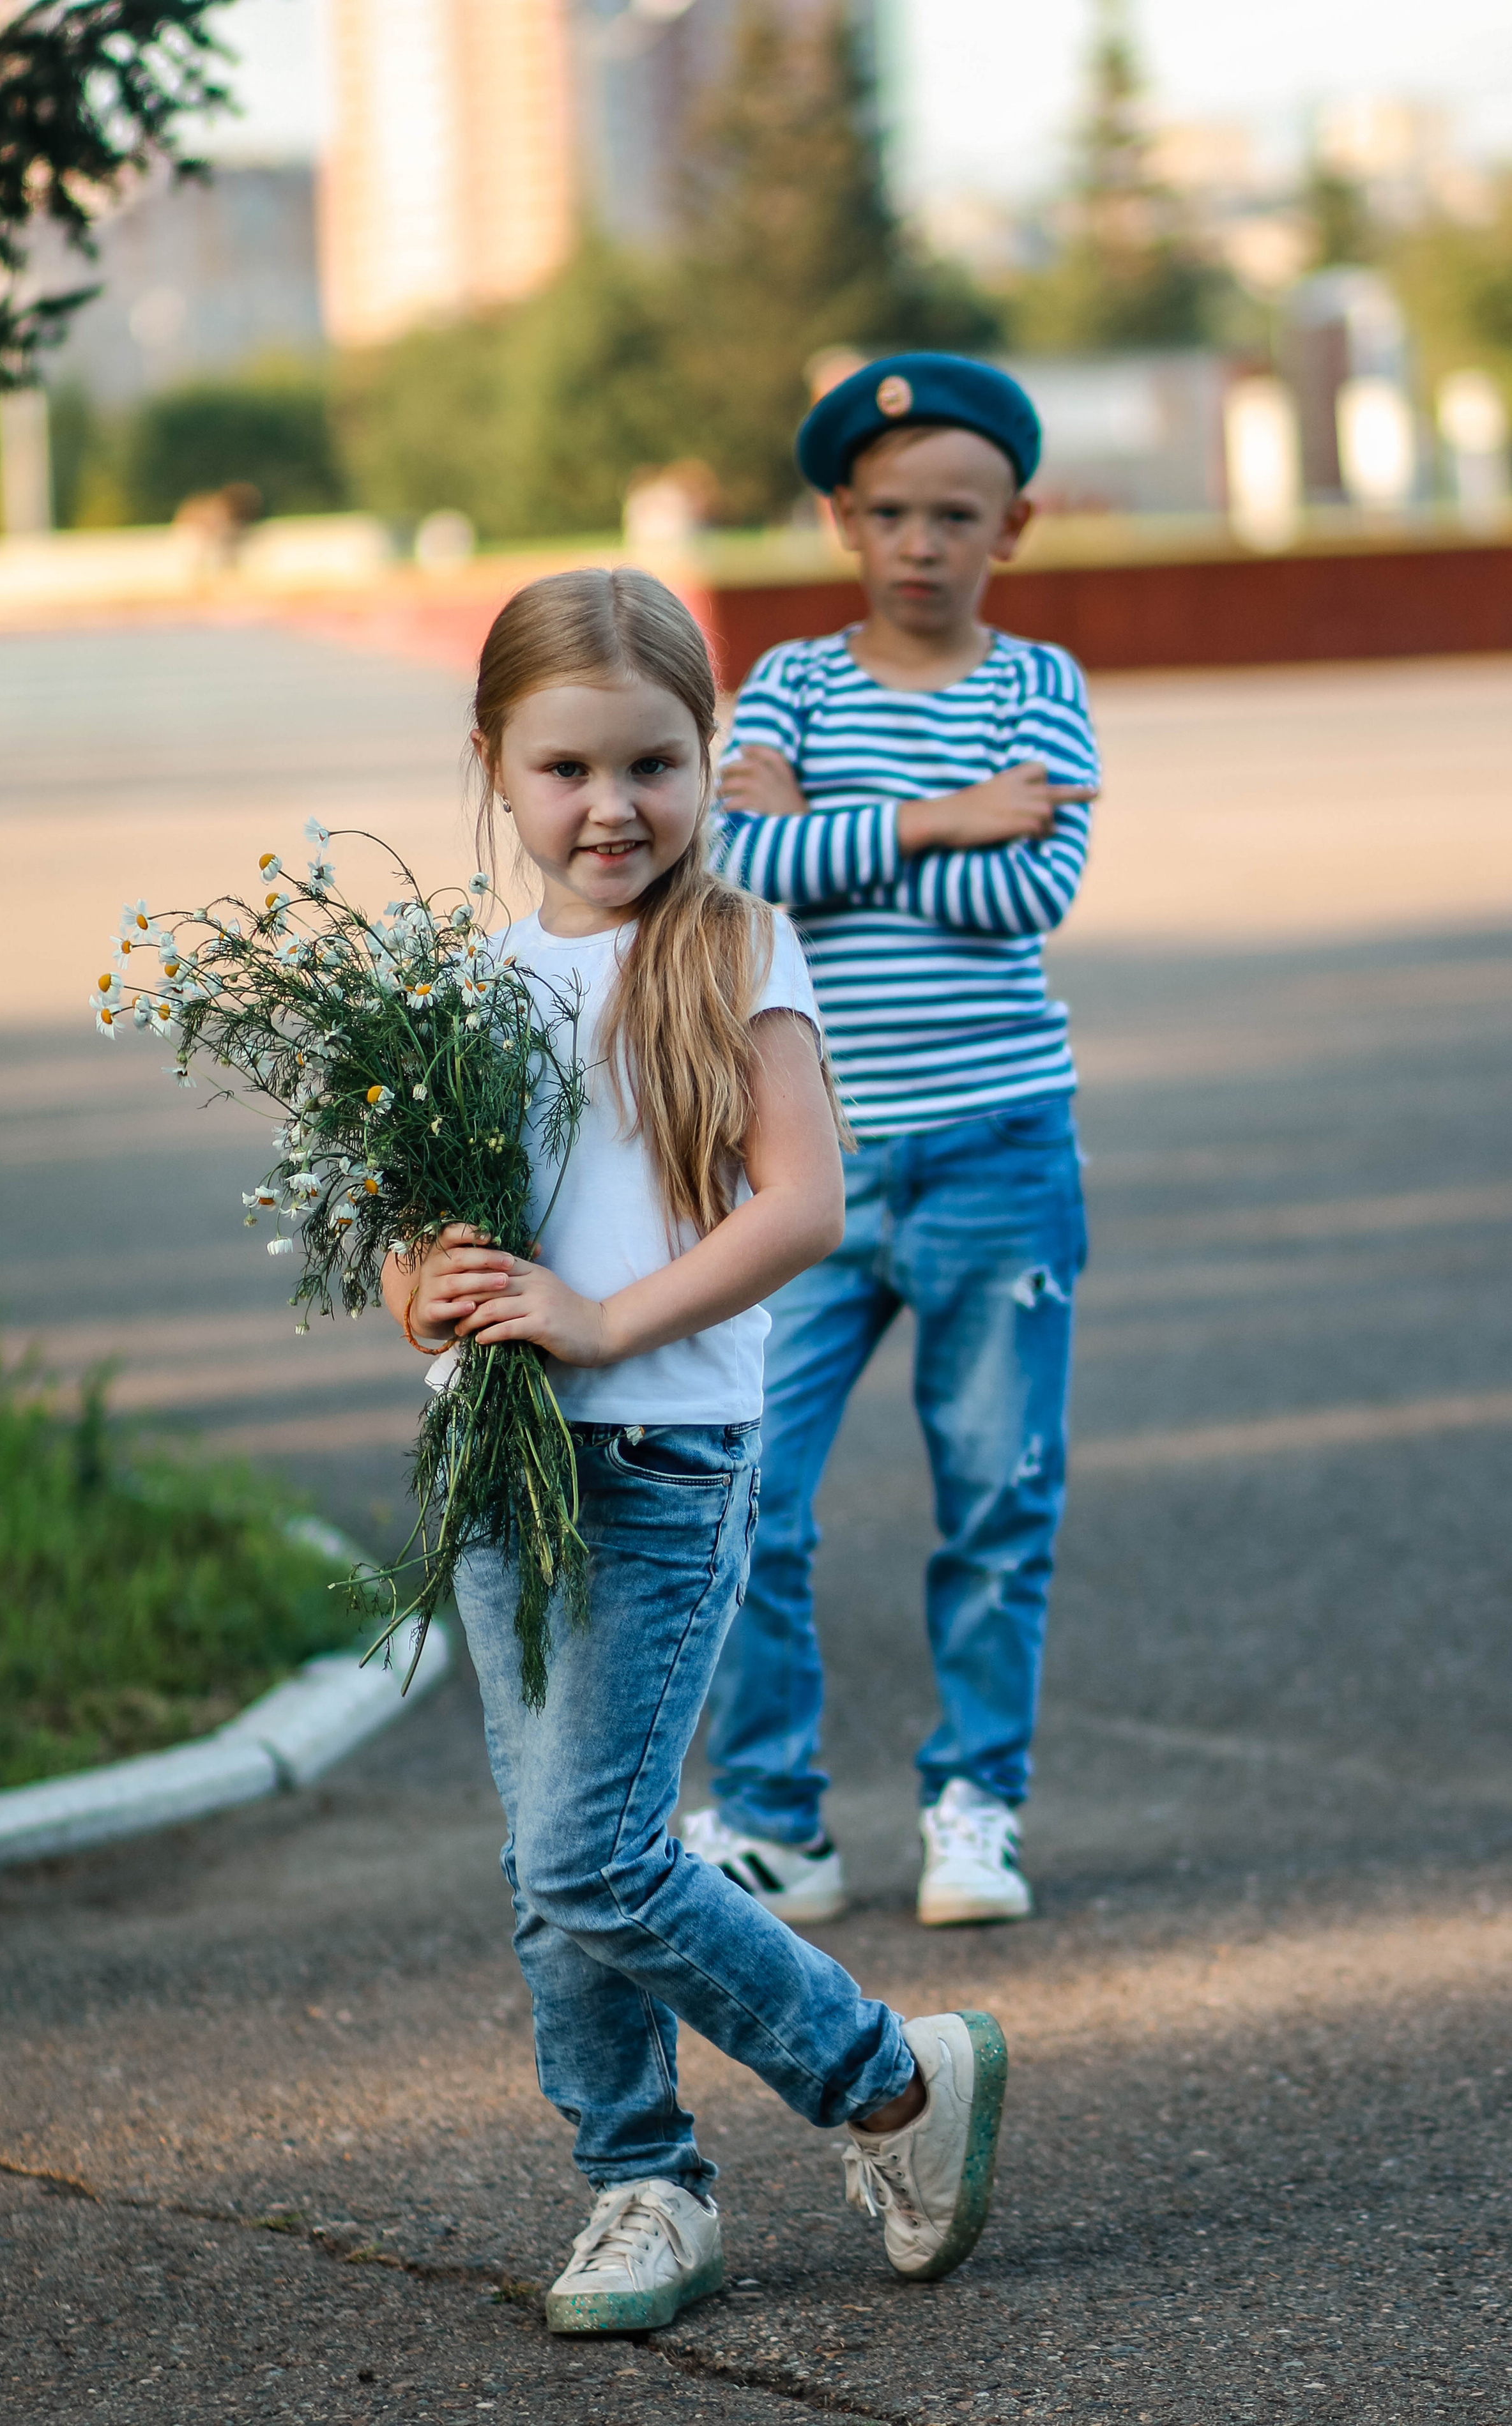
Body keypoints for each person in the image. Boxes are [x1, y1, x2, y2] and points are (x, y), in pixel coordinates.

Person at [380, 568, 1008, 2336]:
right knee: (550, 1873)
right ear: (494, 763)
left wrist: (601, 1321)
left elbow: (801, 1204)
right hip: (499, 1464)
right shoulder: (465, 979)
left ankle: (888, 2079)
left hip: (659, 1454)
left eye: (653, 764)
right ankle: (642, 2183)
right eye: (567, 767)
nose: (613, 807)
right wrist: (420, 1289)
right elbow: (408, 1240)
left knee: (592, 1855)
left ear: (706, 759)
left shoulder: (732, 946)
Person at [685, 354, 1099, 1932]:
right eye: (887, 514)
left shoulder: (1037, 687)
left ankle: (974, 1808)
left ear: (1013, 526)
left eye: (955, 516)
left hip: (999, 1152)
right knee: (746, 1489)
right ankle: (773, 1822)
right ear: (838, 520)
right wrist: (937, 817)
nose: (919, 544)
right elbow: (738, 871)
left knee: (997, 1497)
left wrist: (828, 833)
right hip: (804, 1171)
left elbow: (1027, 892)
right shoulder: (788, 681)